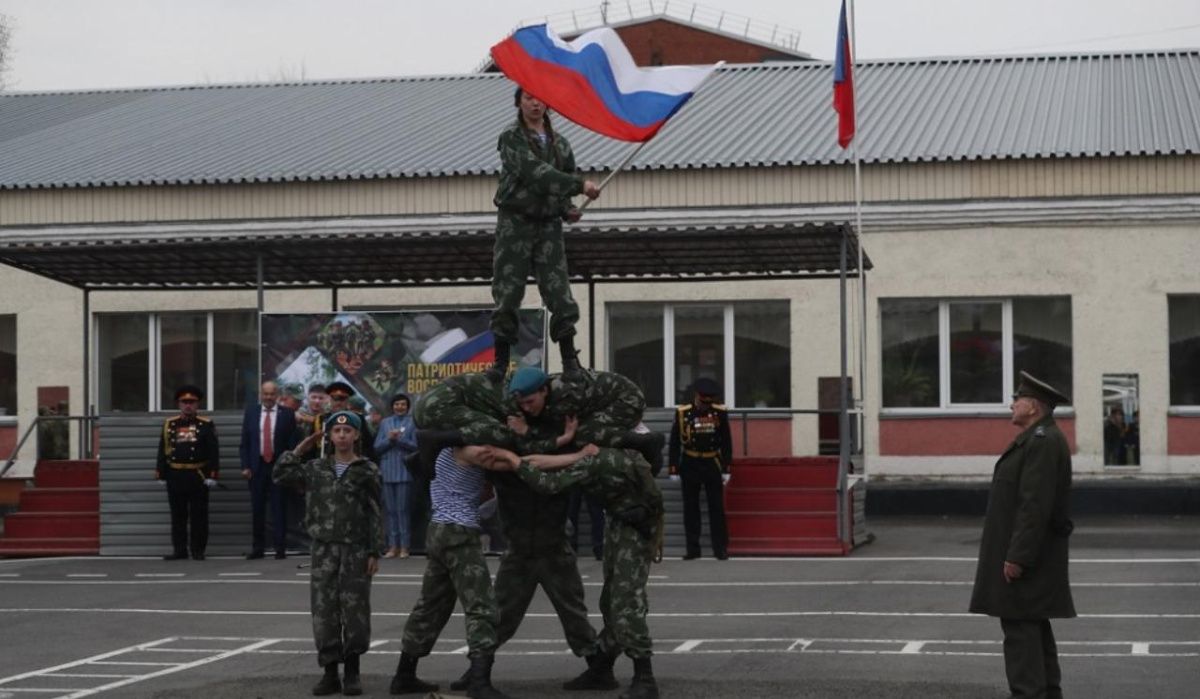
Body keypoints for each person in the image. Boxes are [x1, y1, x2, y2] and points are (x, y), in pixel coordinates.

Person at [488, 444, 663, 699]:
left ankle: (644, 678)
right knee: (612, 603)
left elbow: (549, 484)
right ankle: (602, 667)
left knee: (625, 602)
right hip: (619, 522)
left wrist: (515, 463)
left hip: (633, 528)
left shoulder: (594, 459)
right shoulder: (617, 450)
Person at [970, 371, 1076, 699]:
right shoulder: (1037, 439)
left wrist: (1018, 556)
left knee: (1021, 631)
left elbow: (1034, 507)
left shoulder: (1042, 442)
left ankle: (1030, 693)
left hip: (1028, 558)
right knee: (1032, 627)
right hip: (1030, 555)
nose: (1011, 405)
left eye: (1017, 399)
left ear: (1033, 407)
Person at [488, 86, 601, 380]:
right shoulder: (511, 137)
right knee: (508, 291)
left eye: (540, 98)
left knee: (559, 291)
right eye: (528, 98)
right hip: (516, 222)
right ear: (519, 103)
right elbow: (533, 172)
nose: (535, 103)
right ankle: (501, 363)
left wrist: (568, 208)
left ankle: (569, 361)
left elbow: (560, 187)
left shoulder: (561, 145)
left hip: (548, 224)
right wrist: (579, 185)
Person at [389, 445, 513, 699]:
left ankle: (404, 674)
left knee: (431, 605)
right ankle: (479, 681)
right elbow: (513, 464)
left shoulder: (440, 449)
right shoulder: (467, 450)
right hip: (459, 531)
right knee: (482, 606)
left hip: (438, 530)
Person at [274, 411, 384, 697]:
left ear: (357, 435)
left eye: (348, 432)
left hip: (356, 550)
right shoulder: (315, 469)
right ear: (329, 436)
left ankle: (352, 672)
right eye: (336, 431)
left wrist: (374, 551)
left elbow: (375, 512)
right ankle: (329, 672)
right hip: (323, 549)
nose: (342, 436)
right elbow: (281, 474)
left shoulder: (367, 469)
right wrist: (300, 449)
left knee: (355, 611)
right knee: (324, 612)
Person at [506, 366, 664, 472]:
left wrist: (526, 430)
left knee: (584, 435)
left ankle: (647, 442)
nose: (526, 408)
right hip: (599, 405)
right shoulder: (525, 397)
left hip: (627, 400)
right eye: (522, 404)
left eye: (530, 402)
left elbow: (556, 437)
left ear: (544, 391)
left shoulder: (562, 398)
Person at [668, 377, 733, 561]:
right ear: (697, 396)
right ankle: (693, 549)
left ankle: (720, 549)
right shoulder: (683, 413)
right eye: (704, 402)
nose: (706, 406)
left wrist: (727, 467)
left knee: (716, 508)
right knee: (691, 508)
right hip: (690, 462)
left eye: (709, 402)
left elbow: (726, 442)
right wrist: (673, 467)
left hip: (712, 462)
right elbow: (674, 442)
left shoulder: (719, 413)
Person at [154, 385, 220, 561]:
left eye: (192, 402)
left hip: (197, 475)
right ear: (179, 404)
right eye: (185, 402)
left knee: (199, 516)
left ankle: (198, 550)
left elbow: (214, 451)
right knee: (178, 516)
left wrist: (212, 475)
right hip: (176, 475)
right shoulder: (170, 424)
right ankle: (179, 550)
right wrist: (160, 473)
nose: (188, 406)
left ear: (197, 404)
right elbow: (163, 449)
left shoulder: (206, 424)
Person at [239, 380, 298, 560]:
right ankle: (258, 548)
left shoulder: (287, 414)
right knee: (258, 510)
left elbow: (292, 443)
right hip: (257, 468)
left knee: (279, 508)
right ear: (260, 395)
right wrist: (246, 466)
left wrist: (289, 467)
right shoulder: (251, 412)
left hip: (278, 467)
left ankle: (280, 548)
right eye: (265, 393)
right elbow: (245, 443)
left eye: (272, 394)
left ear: (277, 395)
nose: (269, 397)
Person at [373, 393, 418, 559]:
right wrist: (389, 440)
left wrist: (398, 440)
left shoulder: (412, 422)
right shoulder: (385, 423)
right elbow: (377, 447)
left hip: (405, 472)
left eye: (403, 404)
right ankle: (392, 546)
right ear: (392, 406)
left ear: (408, 406)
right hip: (387, 472)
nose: (400, 407)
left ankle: (405, 547)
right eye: (397, 404)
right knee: (390, 511)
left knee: (402, 511)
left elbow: (416, 446)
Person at [314, 381, 375, 460]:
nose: (338, 402)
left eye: (342, 399)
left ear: (348, 400)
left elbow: (368, 445)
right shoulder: (321, 419)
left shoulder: (357, 418)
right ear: (330, 399)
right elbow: (314, 447)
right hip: (325, 466)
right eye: (335, 399)